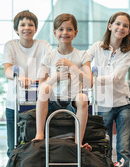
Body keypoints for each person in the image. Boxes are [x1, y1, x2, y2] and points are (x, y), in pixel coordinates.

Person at [87, 12, 130, 167]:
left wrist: (90, 79)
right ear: (109, 26)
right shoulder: (96, 48)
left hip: (122, 103)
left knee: (123, 150)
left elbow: (116, 78)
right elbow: (83, 64)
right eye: (117, 24)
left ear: (128, 30)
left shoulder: (128, 52)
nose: (121, 28)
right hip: (102, 104)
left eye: (125, 25)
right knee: (102, 149)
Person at [33, 13, 93, 150]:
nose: (65, 32)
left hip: (73, 101)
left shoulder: (83, 55)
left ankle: (78, 142)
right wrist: (56, 77)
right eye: (61, 29)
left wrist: (72, 67)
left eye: (69, 29)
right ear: (55, 33)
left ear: (75, 33)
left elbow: (90, 83)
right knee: (44, 89)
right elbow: (41, 85)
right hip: (53, 101)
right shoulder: (48, 57)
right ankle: (39, 134)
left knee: (83, 97)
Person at [3, 10, 51, 157]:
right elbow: (7, 69)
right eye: (22, 24)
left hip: (38, 103)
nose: (27, 28)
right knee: (13, 147)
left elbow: (49, 65)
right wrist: (19, 78)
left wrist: (42, 80)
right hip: (15, 103)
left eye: (31, 25)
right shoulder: (10, 45)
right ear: (16, 29)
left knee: (36, 145)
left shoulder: (43, 45)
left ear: (36, 29)